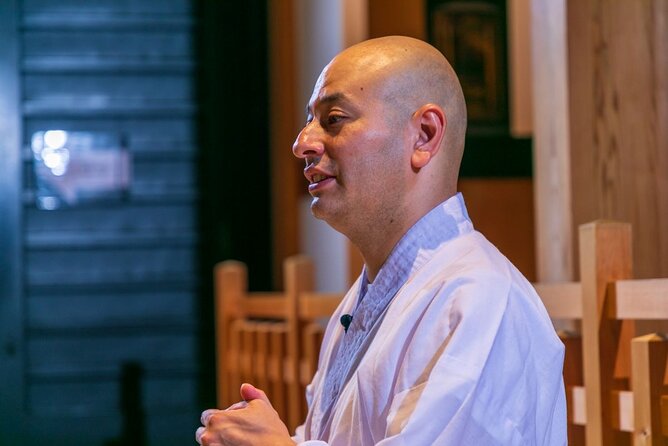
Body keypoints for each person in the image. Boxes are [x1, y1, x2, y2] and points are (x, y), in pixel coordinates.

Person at [196, 35, 566, 446]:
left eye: (334, 118)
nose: (302, 142)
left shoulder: (481, 299)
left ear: (424, 135)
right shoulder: (366, 299)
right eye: (309, 120)